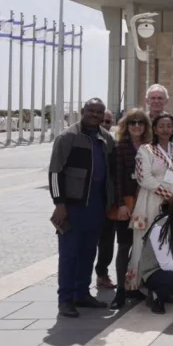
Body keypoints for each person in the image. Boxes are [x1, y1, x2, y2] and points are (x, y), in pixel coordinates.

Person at [49, 98, 115, 318]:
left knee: (88, 252)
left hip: (96, 206)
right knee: (69, 254)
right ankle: (65, 300)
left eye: (99, 112)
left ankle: (82, 293)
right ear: (83, 112)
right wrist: (59, 205)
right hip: (72, 207)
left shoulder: (106, 139)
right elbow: (55, 172)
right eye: (91, 111)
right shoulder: (68, 137)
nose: (95, 115)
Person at [126, 112, 173, 293]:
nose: (166, 129)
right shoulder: (145, 150)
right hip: (150, 203)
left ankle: (167, 285)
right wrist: (169, 196)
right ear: (154, 129)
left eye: (169, 126)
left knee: (170, 243)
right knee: (144, 242)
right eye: (161, 126)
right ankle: (138, 285)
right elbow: (144, 178)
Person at [102, 109, 152, 310]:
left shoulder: (150, 147)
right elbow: (118, 178)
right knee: (124, 246)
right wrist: (121, 204)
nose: (137, 126)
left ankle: (136, 286)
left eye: (141, 122)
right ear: (126, 126)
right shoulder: (120, 147)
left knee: (143, 245)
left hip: (147, 202)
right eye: (133, 123)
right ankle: (121, 290)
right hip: (128, 203)